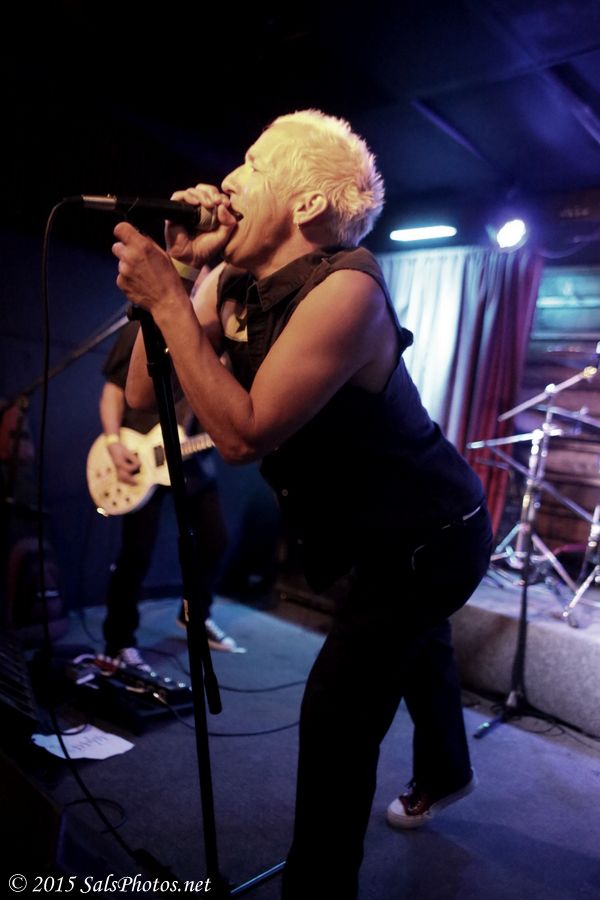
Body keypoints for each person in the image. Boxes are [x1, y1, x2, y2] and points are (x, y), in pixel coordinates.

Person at [112, 109, 494, 897]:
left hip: (435, 536)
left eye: (253, 164)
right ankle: (449, 769)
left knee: (339, 712)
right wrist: (180, 277)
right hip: (375, 532)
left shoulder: (347, 290)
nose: (228, 181)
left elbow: (243, 435)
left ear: (308, 204)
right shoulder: (232, 282)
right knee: (417, 645)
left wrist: (174, 300)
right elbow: (146, 394)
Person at [99, 318, 241, 670]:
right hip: (141, 453)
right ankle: (119, 641)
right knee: (136, 553)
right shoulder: (141, 328)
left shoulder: (224, 337)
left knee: (214, 541)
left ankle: (195, 616)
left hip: (191, 455)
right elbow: (113, 391)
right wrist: (114, 443)